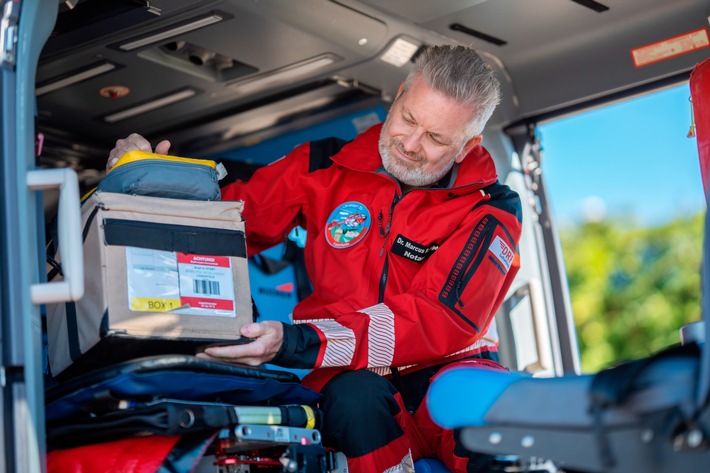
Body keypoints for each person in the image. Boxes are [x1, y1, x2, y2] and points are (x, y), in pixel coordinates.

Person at [107, 45, 522, 473]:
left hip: (450, 371)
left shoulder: (492, 208)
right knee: (355, 399)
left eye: (436, 138)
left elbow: (440, 318)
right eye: (408, 119)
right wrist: (144, 180)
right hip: (349, 384)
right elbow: (225, 222)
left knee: (495, 414)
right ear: (398, 95)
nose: (411, 145)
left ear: (467, 145)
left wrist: (298, 342)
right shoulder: (322, 164)